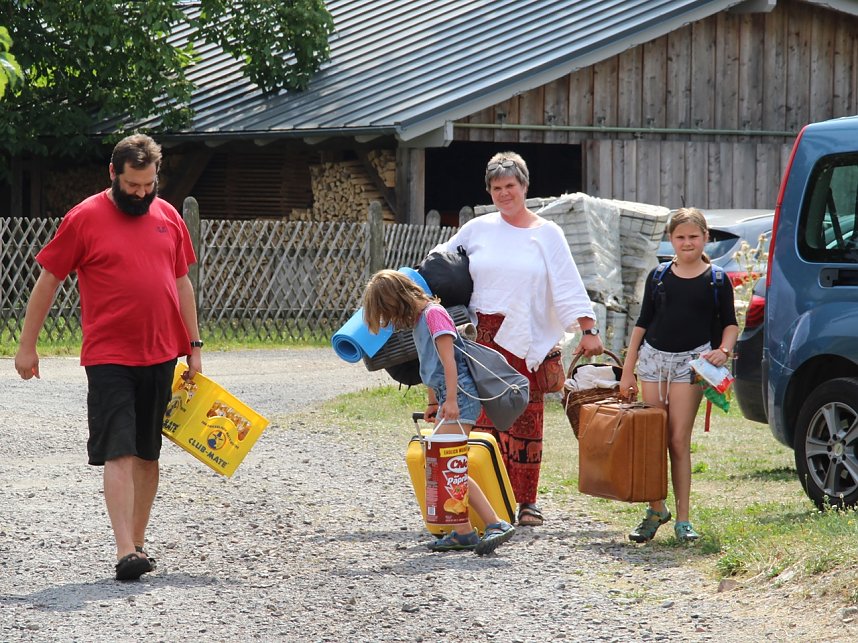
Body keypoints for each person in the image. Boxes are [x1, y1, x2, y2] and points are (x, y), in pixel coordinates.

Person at [14, 134, 203, 580]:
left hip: (160, 354)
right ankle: (124, 552)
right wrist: (27, 345)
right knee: (118, 449)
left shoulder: (168, 217)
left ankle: (137, 542)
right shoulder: (84, 218)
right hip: (109, 356)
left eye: (148, 185)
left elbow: (182, 284)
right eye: (132, 185)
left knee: (148, 454)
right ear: (113, 174)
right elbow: (48, 280)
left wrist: (194, 349)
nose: (141, 193)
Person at [431, 152, 603, 526]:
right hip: (480, 337)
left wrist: (588, 329)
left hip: (524, 338)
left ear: (524, 186)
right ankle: (485, 503)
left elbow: (568, 283)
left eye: (510, 186)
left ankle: (526, 502)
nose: (504, 193)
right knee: (480, 421)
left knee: (525, 421)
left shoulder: (548, 234)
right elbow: (441, 263)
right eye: (496, 188)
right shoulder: (477, 228)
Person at [362, 269, 516, 555]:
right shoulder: (420, 320)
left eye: (388, 311)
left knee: (450, 465)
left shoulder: (434, 315)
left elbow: (449, 363)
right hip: (447, 396)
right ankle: (463, 532)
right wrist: (434, 401)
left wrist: (452, 401)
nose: (390, 318)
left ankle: (495, 523)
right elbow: (428, 366)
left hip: (461, 397)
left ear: (397, 299)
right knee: (444, 466)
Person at [619, 208, 738, 543]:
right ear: (670, 239)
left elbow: (730, 323)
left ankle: (683, 518)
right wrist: (628, 372)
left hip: (693, 362)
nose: (687, 243)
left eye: (694, 237)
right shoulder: (658, 276)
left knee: (677, 439)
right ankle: (656, 509)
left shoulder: (716, 279)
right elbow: (641, 325)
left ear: (706, 239)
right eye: (680, 237)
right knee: (652, 437)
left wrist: (723, 350)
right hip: (653, 360)